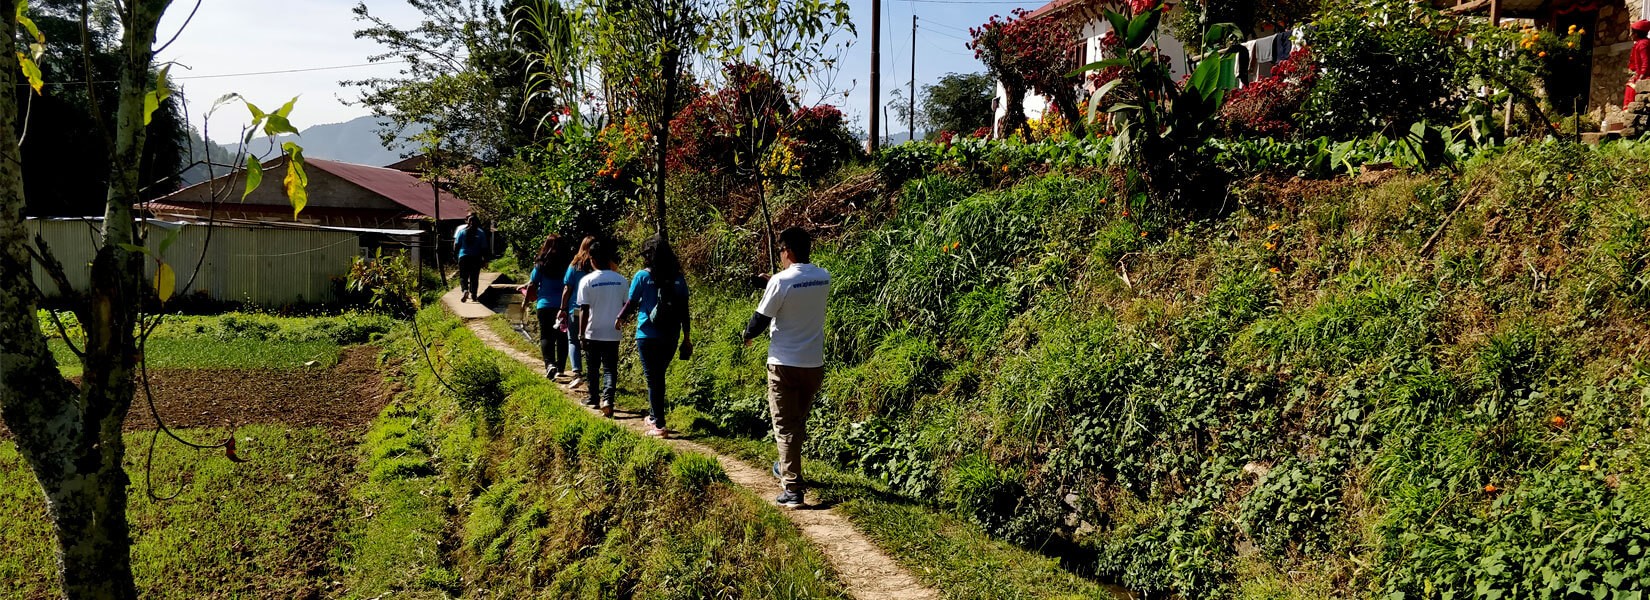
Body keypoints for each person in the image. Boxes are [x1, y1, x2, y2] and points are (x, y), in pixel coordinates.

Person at [742, 227, 830, 509]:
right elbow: (797, 291)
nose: (780, 256)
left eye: (781, 251)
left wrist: (746, 335)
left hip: (783, 364)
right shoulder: (823, 277)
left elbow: (760, 319)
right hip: (813, 364)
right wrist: (772, 282)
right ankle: (785, 466)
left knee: (784, 426)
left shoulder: (780, 282)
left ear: (788, 251)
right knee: (796, 423)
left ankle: (792, 490)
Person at [618, 235, 693, 438]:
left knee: (654, 379)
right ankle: (653, 416)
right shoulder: (678, 278)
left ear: (648, 255)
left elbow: (631, 303)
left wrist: (620, 319)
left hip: (647, 334)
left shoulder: (642, 276)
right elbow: (684, 309)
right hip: (671, 335)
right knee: (658, 377)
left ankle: (659, 425)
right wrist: (687, 337)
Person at [574, 237, 627, 418]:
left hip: (592, 331)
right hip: (613, 332)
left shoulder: (587, 281)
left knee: (593, 367)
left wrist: (581, 335)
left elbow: (584, 309)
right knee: (610, 368)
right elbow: (626, 305)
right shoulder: (621, 280)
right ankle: (608, 400)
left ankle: (593, 398)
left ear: (592, 259)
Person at [526, 234, 569, 379]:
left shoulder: (541, 265)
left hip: (544, 305)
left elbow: (532, 284)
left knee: (546, 336)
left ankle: (550, 364)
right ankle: (561, 368)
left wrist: (531, 298)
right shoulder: (567, 265)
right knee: (562, 336)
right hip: (563, 306)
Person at [559, 235, 597, 388]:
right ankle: (592, 373)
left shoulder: (575, 265)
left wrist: (562, 308)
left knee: (573, 339)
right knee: (592, 341)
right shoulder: (598, 265)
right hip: (595, 309)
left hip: (576, 309)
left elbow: (567, 288)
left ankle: (577, 373)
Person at [454, 214, 489, 302]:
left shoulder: (462, 232)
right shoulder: (481, 233)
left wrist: (455, 255)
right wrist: (485, 259)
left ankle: (465, 290)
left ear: (468, 222)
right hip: (476, 258)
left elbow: (456, 245)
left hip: (463, 257)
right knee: (474, 277)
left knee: (463, 276)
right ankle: (473, 295)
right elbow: (484, 248)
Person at [1629, 20, 1650, 106]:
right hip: (1642, 75)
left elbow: (1646, 61)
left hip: (1646, 76)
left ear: (1636, 34)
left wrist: (1641, 77)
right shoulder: (1642, 43)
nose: (1630, 35)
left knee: (1630, 90)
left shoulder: (1642, 44)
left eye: (1632, 33)